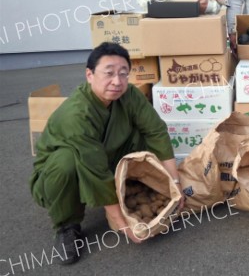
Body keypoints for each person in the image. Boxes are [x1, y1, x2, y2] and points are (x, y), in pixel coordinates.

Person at [30, 42, 184, 265]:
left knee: (140, 134)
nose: (117, 81)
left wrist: (175, 181)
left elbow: (156, 131)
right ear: (89, 75)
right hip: (66, 171)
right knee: (66, 164)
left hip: (106, 155)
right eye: (109, 73)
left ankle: (133, 184)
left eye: (123, 74)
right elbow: (95, 169)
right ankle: (67, 226)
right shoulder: (76, 114)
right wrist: (122, 223)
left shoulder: (129, 94)